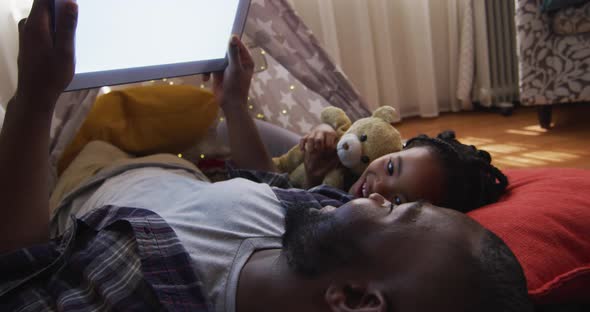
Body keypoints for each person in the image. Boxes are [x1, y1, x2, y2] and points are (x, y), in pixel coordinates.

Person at [0, 1, 533, 311]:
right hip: (179, 166)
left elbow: (18, 270)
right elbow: (263, 177)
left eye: (399, 209)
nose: (378, 199)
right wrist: (234, 102)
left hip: (92, 173)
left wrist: (33, 101)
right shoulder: (316, 218)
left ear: (353, 299)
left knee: (117, 124)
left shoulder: (134, 287)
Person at [300, 111, 508, 214]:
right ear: (399, 148)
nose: (380, 186)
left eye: (398, 201)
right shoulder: (359, 157)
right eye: (391, 167)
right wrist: (325, 130)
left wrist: (312, 177)